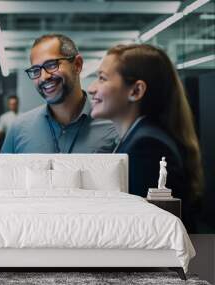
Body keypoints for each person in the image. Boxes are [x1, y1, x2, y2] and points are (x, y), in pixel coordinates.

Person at [87, 44, 203, 231]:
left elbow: (149, 230)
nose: (92, 88)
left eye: (102, 78)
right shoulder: (139, 137)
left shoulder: (147, 147)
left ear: (136, 91)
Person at [1, 34, 118, 153]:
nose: (43, 77)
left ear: (77, 65)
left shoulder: (114, 126)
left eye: (51, 65)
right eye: (36, 70)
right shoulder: (18, 130)